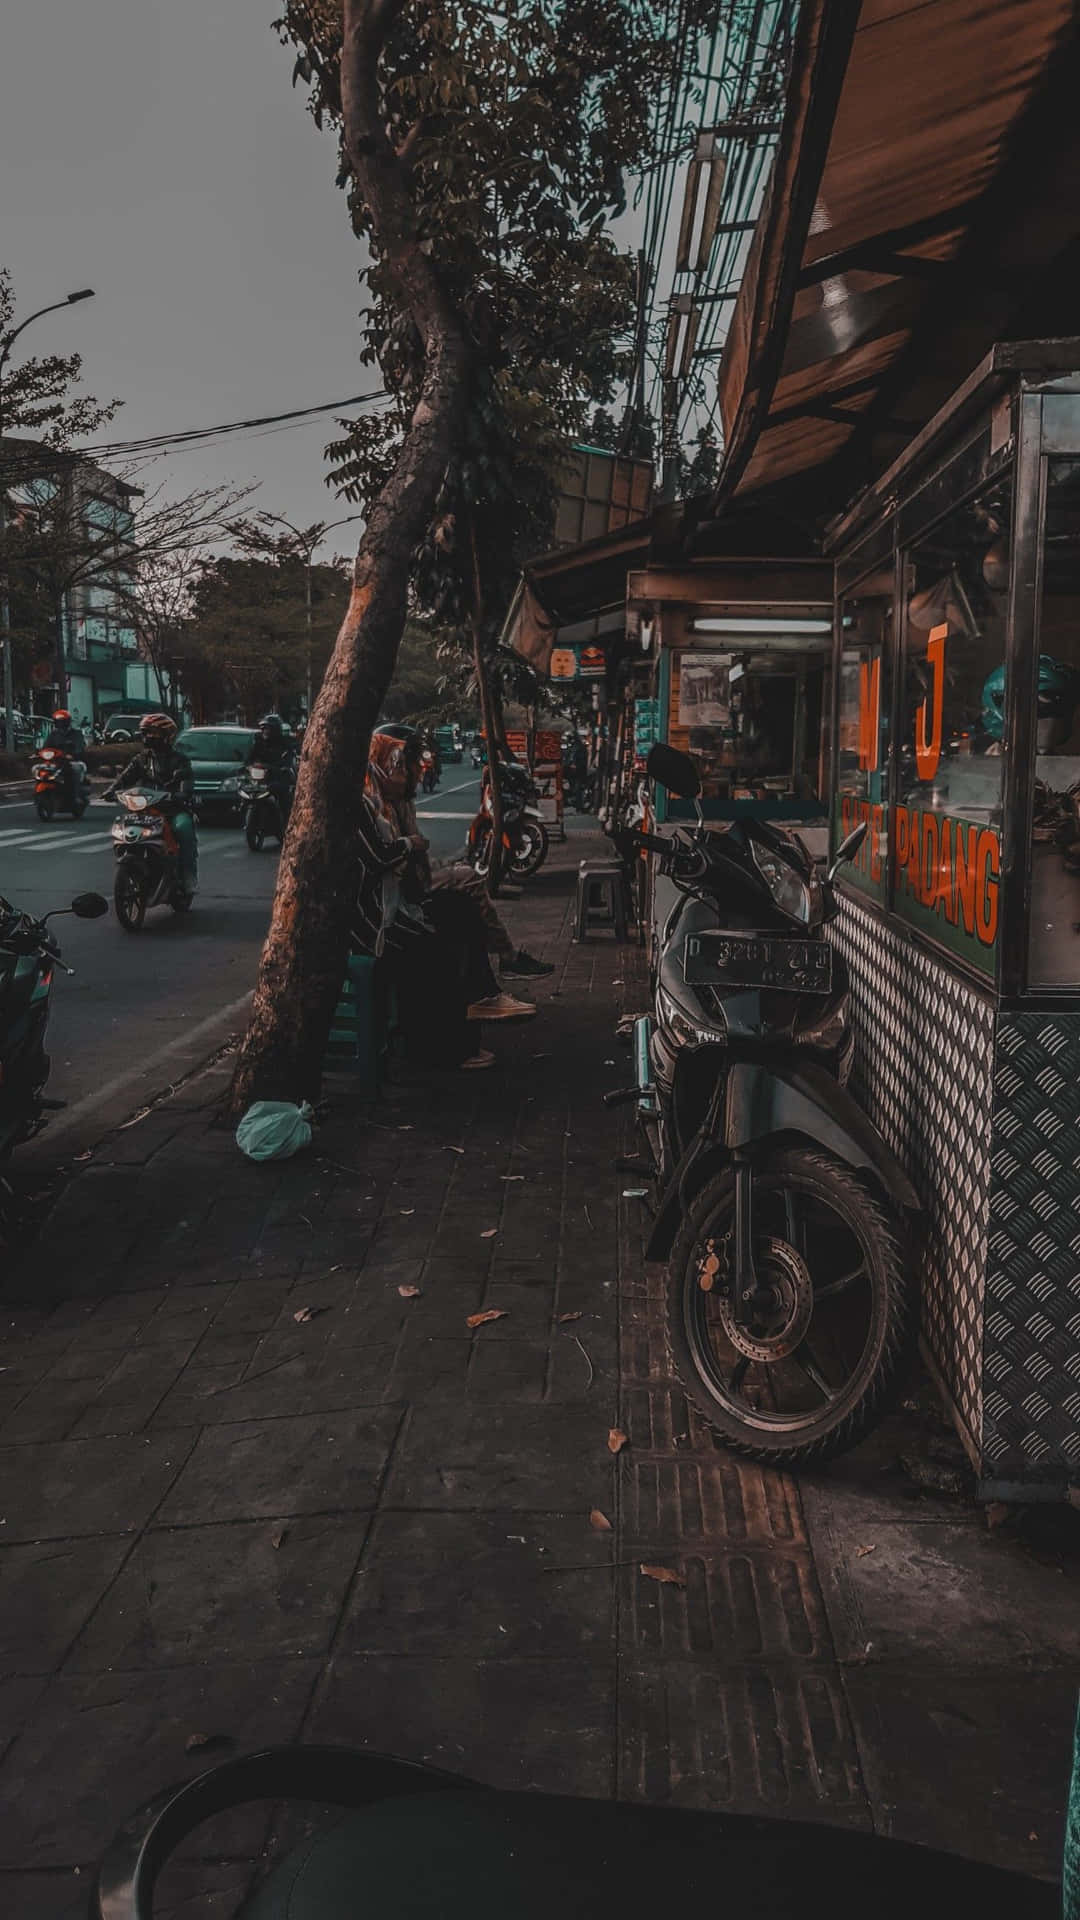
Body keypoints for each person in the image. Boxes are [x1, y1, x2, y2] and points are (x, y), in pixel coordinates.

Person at [366, 730, 539, 1026]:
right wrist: (411, 847)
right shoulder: (372, 804)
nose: (414, 775)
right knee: (463, 896)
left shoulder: (398, 801)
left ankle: (485, 991)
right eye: (404, 767)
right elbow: (390, 859)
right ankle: (491, 980)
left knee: (464, 907)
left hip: (404, 895)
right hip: (386, 913)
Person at [107, 713, 199, 897]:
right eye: (146, 732)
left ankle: (188, 876)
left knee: (184, 828)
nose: (148, 737)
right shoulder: (141, 759)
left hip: (173, 810)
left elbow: (186, 783)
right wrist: (111, 790)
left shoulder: (180, 760)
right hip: (144, 810)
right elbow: (126, 777)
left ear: (167, 736)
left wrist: (180, 794)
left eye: (153, 733)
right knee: (123, 828)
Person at [246, 713, 296, 820]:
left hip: (278, 778)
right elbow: (250, 758)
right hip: (261, 780)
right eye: (263, 728)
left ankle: (286, 822)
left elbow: (289, 758)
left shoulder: (284, 744)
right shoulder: (259, 743)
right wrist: (248, 767)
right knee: (246, 790)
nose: (265, 731)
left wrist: (284, 768)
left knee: (283, 795)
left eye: (268, 728)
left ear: (275, 730)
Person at [44, 708, 86, 809]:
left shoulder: (76, 733)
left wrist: (74, 754)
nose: (60, 724)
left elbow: (80, 746)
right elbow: (46, 747)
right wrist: (39, 753)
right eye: (58, 722)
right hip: (56, 761)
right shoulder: (53, 734)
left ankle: (76, 796)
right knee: (39, 768)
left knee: (76, 769)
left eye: (62, 721)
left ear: (67, 722)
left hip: (73, 761)